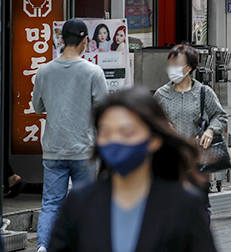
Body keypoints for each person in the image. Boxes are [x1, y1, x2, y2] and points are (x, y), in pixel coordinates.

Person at [48, 88, 217, 252]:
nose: (115, 140)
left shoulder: (184, 205)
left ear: (154, 140)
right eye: (105, 133)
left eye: (127, 132)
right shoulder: (79, 202)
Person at [32, 18, 109, 252]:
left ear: (61, 40)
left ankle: (43, 246)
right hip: (84, 149)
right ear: (85, 40)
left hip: (54, 148)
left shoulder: (44, 71)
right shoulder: (93, 72)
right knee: (86, 203)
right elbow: (104, 109)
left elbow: (37, 107)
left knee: (51, 203)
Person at [153, 44, 227, 146]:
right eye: (169, 65)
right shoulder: (161, 94)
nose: (171, 69)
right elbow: (150, 120)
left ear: (188, 67)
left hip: (197, 151)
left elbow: (220, 116)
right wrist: (161, 126)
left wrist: (210, 130)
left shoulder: (204, 92)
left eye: (176, 64)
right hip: (171, 152)